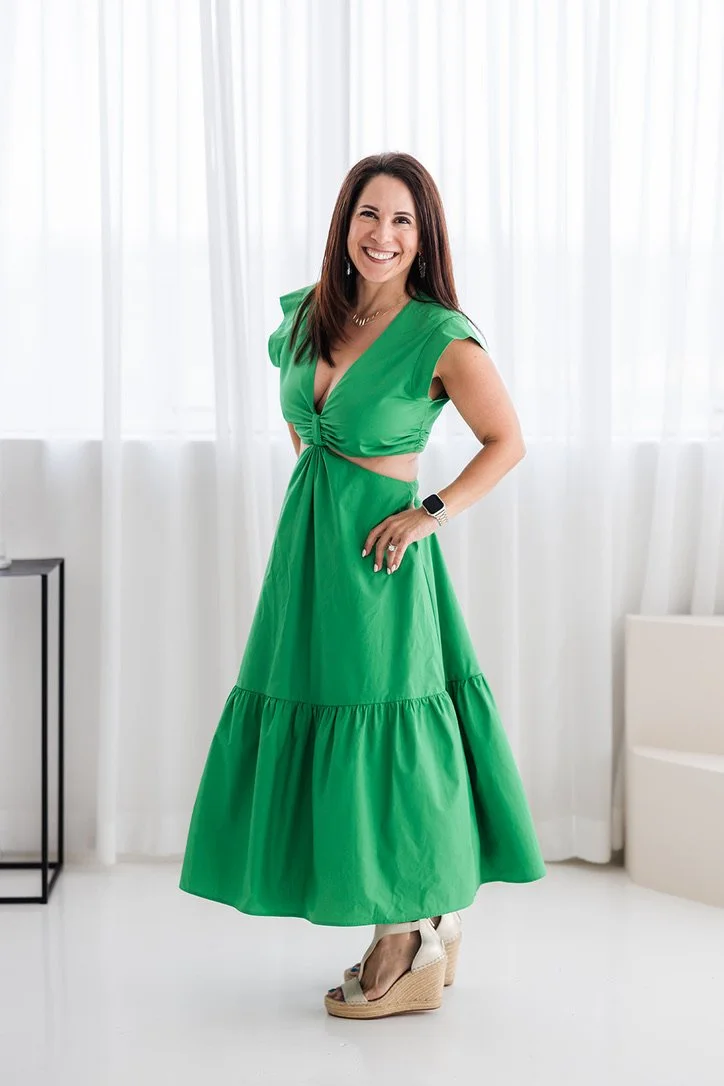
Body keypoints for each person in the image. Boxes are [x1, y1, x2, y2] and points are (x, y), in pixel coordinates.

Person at [179, 151, 546, 1020]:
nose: (384, 235)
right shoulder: (311, 315)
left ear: (424, 240)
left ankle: (407, 930)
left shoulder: (439, 335)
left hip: (382, 561)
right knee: (325, 711)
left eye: (403, 222)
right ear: (346, 224)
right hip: (307, 558)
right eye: (370, 215)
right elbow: (313, 438)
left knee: (389, 735)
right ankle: (425, 919)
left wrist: (429, 511)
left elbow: (506, 440)